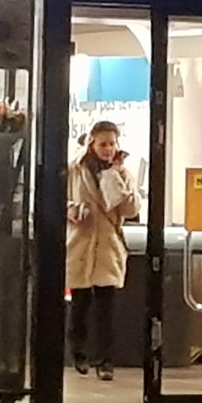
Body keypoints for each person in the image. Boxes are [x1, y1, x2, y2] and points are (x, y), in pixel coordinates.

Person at [66, 121, 140, 381]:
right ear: (92, 144)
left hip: (108, 245)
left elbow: (130, 210)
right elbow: (60, 198)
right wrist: (71, 210)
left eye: (112, 144)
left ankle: (106, 361)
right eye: (103, 144)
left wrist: (117, 179)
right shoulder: (75, 170)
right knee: (80, 303)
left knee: (106, 308)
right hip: (81, 242)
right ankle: (78, 352)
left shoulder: (122, 172)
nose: (108, 149)